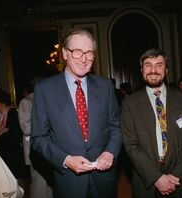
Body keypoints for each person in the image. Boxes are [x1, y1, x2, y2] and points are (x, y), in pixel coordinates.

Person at [30, 28, 123, 198]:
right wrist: (65, 160)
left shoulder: (104, 86)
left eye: (89, 53)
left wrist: (110, 152)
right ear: (65, 53)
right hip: (68, 182)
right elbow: (39, 138)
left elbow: (116, 128)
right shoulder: (45, 89)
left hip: (104, 179)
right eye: (77, 51)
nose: (84, 58)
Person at [121, 48, 182, 197]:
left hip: (179, 179)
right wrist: (156, 177)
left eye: (159, 64)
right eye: (148, 65)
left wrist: (177, 174)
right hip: (146, 178)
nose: (153, 70)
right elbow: (130, 145)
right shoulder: (130, 103)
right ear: (142, 70)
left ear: (166, 69)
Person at [18, 76, 54, 198]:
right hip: (35, 149)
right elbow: (26, 128)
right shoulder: (26, 102)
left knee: (50, 184)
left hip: (51, 148)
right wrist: (50, 127)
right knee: (39, 184)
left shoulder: (48, 100)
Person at [0, 91, 26, 189]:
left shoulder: (11, 112)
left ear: (3, 103)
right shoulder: (0, 114)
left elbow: (15, 128)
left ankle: (20, 192)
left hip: (12, 149)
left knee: (15, 173)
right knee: (8, 173)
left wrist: (1, 130)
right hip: (5, 148)